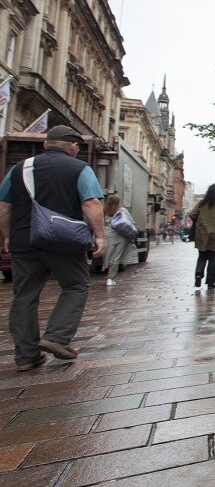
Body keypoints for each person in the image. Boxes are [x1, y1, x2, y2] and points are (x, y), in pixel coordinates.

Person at [0, 125, 105, 371]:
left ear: (46, 144)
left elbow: (3, 207)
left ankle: (26, 357)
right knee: (76, 285)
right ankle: (57, 337)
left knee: (24, 296)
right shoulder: (80, 168)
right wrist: (100, 236)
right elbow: (91, 203)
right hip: (64, 241)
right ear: (72, 147)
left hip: (24, 242)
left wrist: (7, 237)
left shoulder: (19, 168)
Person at [103, 194, 134, 286]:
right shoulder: (122, 210)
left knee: (108, 255)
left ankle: (106, 269)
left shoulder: (104, 211)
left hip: (107, 235)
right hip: (120, 235)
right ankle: (110, 278)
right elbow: (131, 222)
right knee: (116, 257)